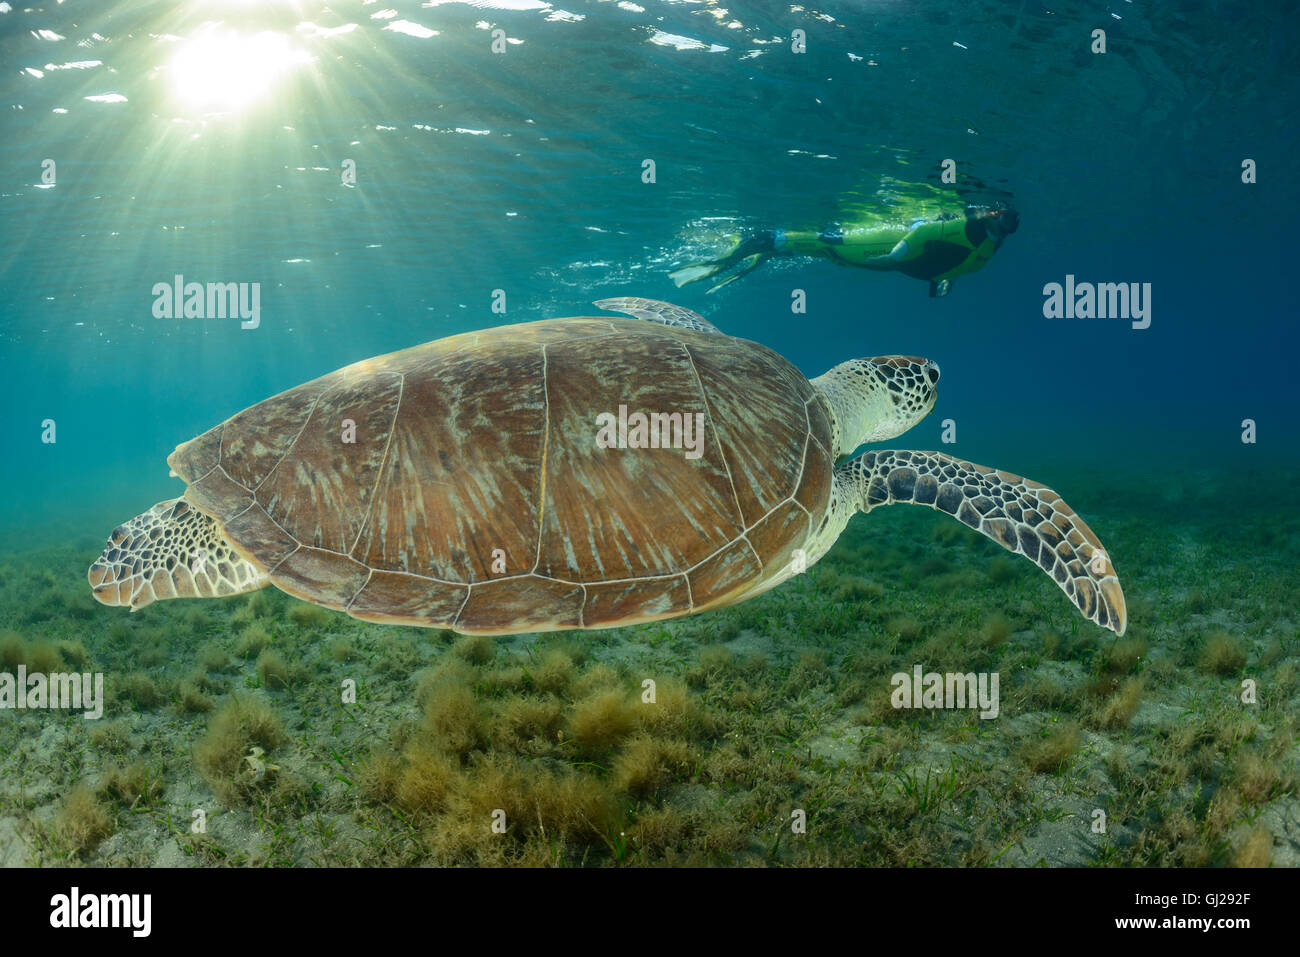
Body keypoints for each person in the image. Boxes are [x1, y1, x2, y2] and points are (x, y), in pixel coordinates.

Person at [670, 203, 1019, 297]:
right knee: (829, 245)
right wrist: (895, 256)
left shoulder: (989, 245)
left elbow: (957, 263)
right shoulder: (971, 226)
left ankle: (770, 251)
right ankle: (734, 254)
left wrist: (943, 281)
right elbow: (924, 229)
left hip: (898, 262)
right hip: (887, 248)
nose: (1001, 219)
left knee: (829, 253)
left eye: (1008, 220)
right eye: (1000, 213)